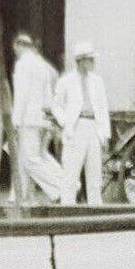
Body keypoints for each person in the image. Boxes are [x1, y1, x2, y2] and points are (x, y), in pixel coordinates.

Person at [52, 42, 111, 206]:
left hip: (93, 127)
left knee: (95, 176)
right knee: (70, 174)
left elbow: (103, 107)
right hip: (76, 128)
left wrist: (105, 134)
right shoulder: (66, 81)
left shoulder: (97, 81)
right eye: (90, 59)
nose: (93, 63)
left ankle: (96, 213)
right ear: (81, 60)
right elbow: (56, 105)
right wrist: (65, 122)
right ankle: (67, 211)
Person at [10, 32, 62, 202]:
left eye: (15, 49)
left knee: (31, 160)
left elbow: (21, 95)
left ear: (18, 46)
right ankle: (22, 197)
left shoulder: (23, 64)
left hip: (28, 119)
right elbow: (48, 94)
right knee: (33, 158)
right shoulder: (42, 65)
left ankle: (61, 187)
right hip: (42, 119)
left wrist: (15, 121)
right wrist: (49, 118)